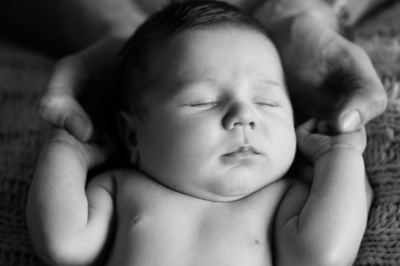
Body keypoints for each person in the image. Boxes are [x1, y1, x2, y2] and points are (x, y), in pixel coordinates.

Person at [26, 2, 373, 266]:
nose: (243, 116)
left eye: (267, 102)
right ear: (132, 136)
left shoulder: (284, 199)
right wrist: (68, 148)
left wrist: (338, 156)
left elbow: (324, 254)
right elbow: (62, 244)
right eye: (202, 102)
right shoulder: (120, 189)